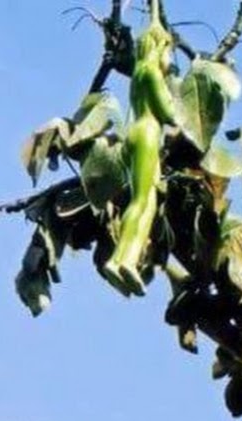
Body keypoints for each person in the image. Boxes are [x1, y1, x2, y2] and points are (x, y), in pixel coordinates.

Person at [104, 0, 176, 296]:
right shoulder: (151, 71)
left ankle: (127, 261)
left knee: (146, 204)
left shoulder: (138, 70)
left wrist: (155, 8)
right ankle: (119, 258)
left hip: (136, 132)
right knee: (141, 200)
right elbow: (168, 113)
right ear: (160, 48)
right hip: (148, 131)